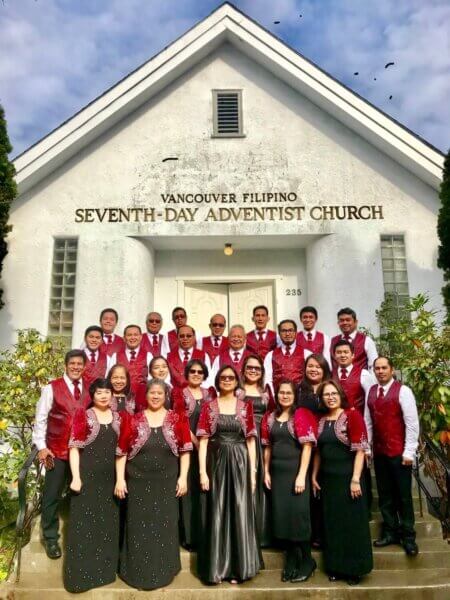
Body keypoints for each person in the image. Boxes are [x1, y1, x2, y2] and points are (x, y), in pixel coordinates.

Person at [115, 379, 192, 590]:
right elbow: (121, 453)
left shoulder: (178, 419)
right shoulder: (133, 420)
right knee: (138, 526)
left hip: (166, 484)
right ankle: (137, 573)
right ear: (146, 396)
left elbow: (185, 451)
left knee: (165, 525)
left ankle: (164, 571)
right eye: (152, 393)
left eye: (160, 393)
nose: (156, 396)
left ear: (165, 395)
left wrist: (183, 477)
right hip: (138, 483)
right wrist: (120, 479)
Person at [196, 365, 263, 584]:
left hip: (241, 462)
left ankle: (239, 568)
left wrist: (253, 473)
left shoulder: (246, 407)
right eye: (223, 377)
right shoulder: (209, 407)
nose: (227, 380)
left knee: (239, 510)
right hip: (216, 463)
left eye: (231, 378)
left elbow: (251, 440)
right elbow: (204, 440)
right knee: (218, 511)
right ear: (218, 380)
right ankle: (217, 569)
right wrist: (202, 472)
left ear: (236, 382)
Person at [312, 380, 373, 585]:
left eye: (333, 393)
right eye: (326, 394)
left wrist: (356, 479)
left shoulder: (352, 416)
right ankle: (336, 567)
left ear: (340, 395)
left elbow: (360, 449)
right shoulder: (320, 421)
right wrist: (313, 475)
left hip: (349, 479)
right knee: (333, 524)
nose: (330, 397)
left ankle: (355, 569)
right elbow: (319, 452)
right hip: (328, 481)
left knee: (352, 525)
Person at [64, 378, 121, 593]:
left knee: (106, 526)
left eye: (107, 392)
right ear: (93, 395)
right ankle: (79, 578)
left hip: (110, 481)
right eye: (99, 393)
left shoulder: (118, 417)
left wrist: (120, 478)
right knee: (84, 527)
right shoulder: (83, 416)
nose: (104, 396)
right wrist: (76, 478)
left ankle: (103, 574)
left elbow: (121, 452)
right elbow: (74, 449)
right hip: (87, 479)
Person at [31, 349, 89, 559]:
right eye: (72, 363)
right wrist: (41, 446)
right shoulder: (51, 388)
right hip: (55, 451)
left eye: (79, 364)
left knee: (81, 496)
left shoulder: (90, 389)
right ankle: (51, 539)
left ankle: (79, 539)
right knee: (52, 497)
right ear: (66, 365)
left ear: (84, 366)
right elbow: (41, 419)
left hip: (81, 453)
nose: (76, 367)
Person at [262, 380, 317, 582]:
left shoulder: (301, 415)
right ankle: (291, 559)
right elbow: (267, 446)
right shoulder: (270, 417)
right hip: (277, 474)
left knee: (298, 516)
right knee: (283, 516)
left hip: (295, 473)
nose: (284, 396)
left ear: (294, 396)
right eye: (281, 393)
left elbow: (308, 447)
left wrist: (302, 475)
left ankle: (308, 560)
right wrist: (266, 471)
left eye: (288, 393)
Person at [365, 356, 420, 556]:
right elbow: (368, 422)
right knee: (385, 495)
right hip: (380, 453)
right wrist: (368, 448)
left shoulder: (403, 391)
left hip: (399, 453)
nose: (380, 371)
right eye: (377, 368)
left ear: (392, 369)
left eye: (383, 368)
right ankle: (390, 532)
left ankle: (408, 536)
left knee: (403, 497)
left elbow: (412, 424)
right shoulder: (371, 392)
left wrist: (409, 451)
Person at [172, 359, 213, 550]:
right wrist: (195, 442)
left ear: (204, 375)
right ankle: (189, 537)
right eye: (192, 371)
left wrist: (204, 443)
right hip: (188, 447)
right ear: (187, 374)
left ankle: (204, 534)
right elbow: (180, 420)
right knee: (188, 491)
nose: (196, 374)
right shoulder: (179, 393)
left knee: (204, 491)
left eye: (199, 372)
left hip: (206, 449)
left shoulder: (209, 394)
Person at [295, 353, 331, 548]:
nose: (314, 369)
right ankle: (312, 534)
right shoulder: (300, 389)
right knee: (309, 491)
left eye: (318, 366)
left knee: (325, 489)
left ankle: (326, 533)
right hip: (305, 445)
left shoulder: (330, 388)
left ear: (324, 368)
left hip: (327, 444)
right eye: (310, 366)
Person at [241, 353, 275, 547]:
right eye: (250, 367)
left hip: (262, 440)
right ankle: (244, 532)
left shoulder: (265, 392)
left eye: (257, 368)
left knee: (262, 485)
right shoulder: (237, 391)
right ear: (244, 370)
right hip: (242, 441)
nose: (253, 371)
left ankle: (261, 534)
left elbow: (271, 415)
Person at [264, 320, 311, 393]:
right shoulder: (270, 355)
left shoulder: (307, 354)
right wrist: (273, 397)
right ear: (279, 333)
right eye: (284, 331)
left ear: (296, 333)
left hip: (301, 399)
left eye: (290, 330)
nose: (287, 334)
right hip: (278, 399)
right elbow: (267, 380)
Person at [332, 339, 375, 415]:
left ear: (352, 355)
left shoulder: (364, 374)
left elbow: (371, 401)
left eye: (346, 352)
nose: (342, 355)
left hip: (357, 420)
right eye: (339, 352)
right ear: (334, 356)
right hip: (335, 421)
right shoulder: (329, 375)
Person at [109, 325, 152, 394]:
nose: (132, 337)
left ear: (141, 337)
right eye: (129, 335)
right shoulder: (115, 356)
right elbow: (109, 378)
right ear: (124, 338)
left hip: (142, 396)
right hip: (120, 396)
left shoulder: (148, 356)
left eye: (135, 335)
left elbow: (151, 380)